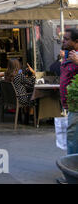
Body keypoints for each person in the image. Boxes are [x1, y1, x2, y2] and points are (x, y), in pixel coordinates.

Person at [57, 28, 78, 184]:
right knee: (73, 136)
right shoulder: (67, 56)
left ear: (76, 42)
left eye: (66, 39)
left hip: (76, 104)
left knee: (72, 137)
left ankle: (71, 174)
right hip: (71, 104)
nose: (63, 41)